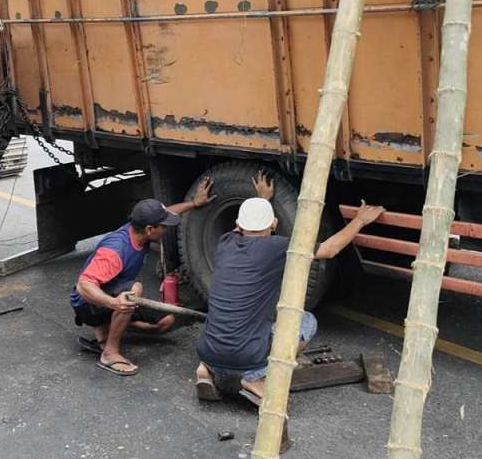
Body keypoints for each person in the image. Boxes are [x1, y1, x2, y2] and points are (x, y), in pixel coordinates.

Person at [194, 171, 384, 402]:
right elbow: (329, 249)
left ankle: (205, 370)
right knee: (307, 321)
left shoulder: (225, 242)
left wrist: (261, 200)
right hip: (246, 358)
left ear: (237, 225)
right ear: (274, 224)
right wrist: (360, 220)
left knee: (227, 323)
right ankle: (255, 377)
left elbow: (245, 226)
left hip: (207, 350)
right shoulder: (278, 247)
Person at [72, 178, 214, 376]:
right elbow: (83, 286)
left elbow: (168, 212)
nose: (166, 228)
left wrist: (194, 203)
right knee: (134, 289)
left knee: (165, 322)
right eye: (163, 226)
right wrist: (114, 304)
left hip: (111, 295)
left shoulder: (139, 228)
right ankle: (109, 353)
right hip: (87, 304)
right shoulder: (115, 250)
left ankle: (107, 327)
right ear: (150, 229)